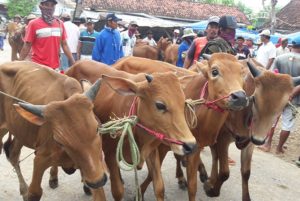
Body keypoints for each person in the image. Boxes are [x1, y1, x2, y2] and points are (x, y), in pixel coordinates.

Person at [259, 37, 300, 154]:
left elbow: (274, 77)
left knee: (273, 119)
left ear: (291, 46)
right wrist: (291, 95)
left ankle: (267, 144)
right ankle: (279, 148)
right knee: (287, 123)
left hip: (278, 95)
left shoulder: (280, 58)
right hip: (294, 99)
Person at [19, 0, 75, 70]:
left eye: (52, 5)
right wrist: (19, 63)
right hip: (38, 67)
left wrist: (73, 62)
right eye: (47, 4)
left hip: (55, 68)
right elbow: (27, 45)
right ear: (41, 7)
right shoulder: (33, 24)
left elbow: (64, 44)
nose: (50, 8)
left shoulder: (60, 24)